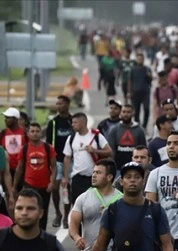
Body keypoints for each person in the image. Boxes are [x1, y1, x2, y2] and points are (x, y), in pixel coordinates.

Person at [62, 112, 112, 213]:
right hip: (77, 177)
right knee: (77, 206)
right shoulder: (71, 138)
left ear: (83, 122)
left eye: (75, 122)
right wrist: (65, 177)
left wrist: (95, 150)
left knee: (94, 206)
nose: (73, 125)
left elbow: (109, 151)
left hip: (93, 177)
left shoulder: (96, 136)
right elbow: (67, 158)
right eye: (72, 122)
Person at [13, 123, 57, 230]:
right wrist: (14, 186)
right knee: (28, 210)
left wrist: (52, 182)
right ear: (28, 134)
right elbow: (19, 168)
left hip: (44, 187)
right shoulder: (24, 149)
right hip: (29, 185)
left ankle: (41, 233)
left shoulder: (48, 148)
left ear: (41, 133)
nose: (35, 134)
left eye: (37, 131)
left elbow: (54, 167)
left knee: (42, 212)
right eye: (32, 131)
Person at [45, 95, 75, 229]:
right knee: (55, 187)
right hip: (56, 160)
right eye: (57, 103)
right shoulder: (53, 123)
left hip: (71, 159)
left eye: (61, 103)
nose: (58, 106)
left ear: (67, 104)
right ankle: (58, 213)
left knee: (67, 188)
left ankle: (67, 215)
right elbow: (48, 144)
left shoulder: (72, 121)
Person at [106, 104, 147, 172]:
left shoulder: (139, 130)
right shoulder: (114, 130)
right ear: (120, 113)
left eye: (128, 112)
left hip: (135, 168)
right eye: (124, 112)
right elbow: (111, 151)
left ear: (133, 113)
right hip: (118, 168)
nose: (126, 114)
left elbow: (144, 149)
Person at [0, 107, 27, 181]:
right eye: (5, 117)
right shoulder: (3, 133)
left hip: (22, 170)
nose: (5, 120)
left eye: (8, 118)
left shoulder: (24, 133)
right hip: (7, 170)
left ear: (15, 119)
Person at [129, 53, 154, 128]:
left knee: (146, 108)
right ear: (136, 60)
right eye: (138, 59)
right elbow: (130, 81)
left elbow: (150, 80)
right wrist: (129, 92)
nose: (140, 60)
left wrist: (150, 76)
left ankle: (145, 125)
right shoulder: (133, 69)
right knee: (136, 110)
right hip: (135, 92)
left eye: (141, 59)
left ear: (143, 60)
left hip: (145, 92)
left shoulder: (147, 69)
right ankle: (137, 125)